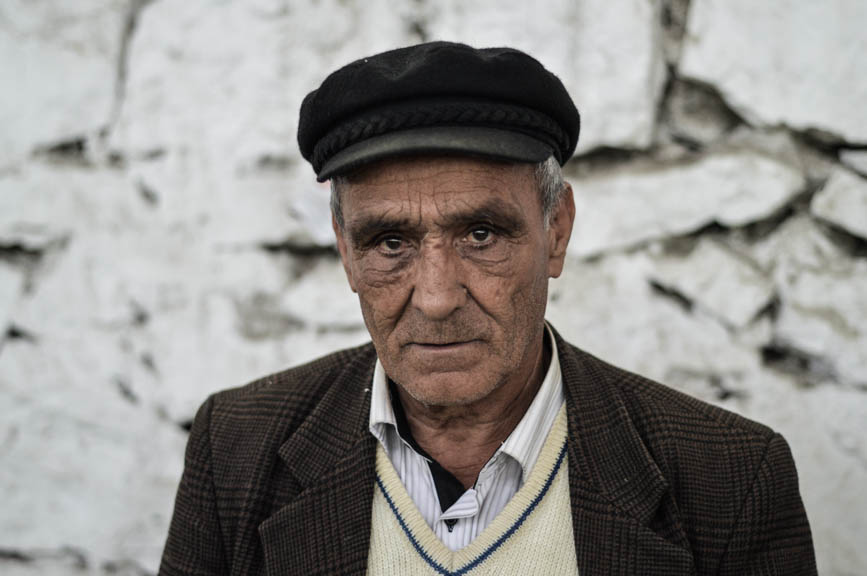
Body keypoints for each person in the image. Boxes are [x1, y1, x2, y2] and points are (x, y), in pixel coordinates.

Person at [159, 42, 817, 576]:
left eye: (481, 236)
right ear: (344, 249)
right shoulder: (238, 447)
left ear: (555, 230)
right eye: (390, 242)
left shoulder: (727, 477)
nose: (438, 298)